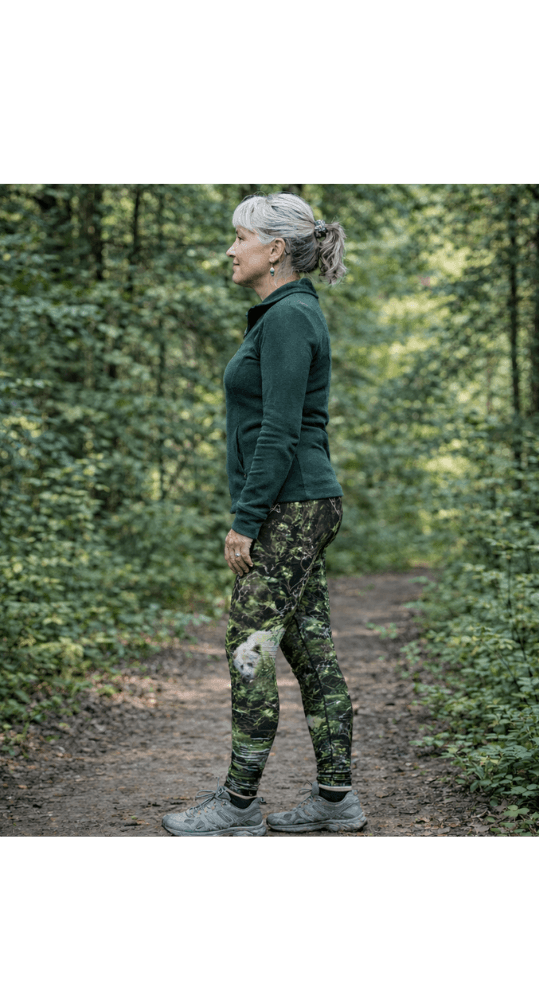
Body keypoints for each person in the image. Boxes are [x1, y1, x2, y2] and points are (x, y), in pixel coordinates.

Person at [162, 192, 368, 836]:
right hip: (306, 501)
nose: (231, 248)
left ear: (274, 249)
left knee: (248, 645)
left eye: (240, 237)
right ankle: (336, 802)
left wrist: (246, 520)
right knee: (309, 647)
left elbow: (280, 432)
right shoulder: (284, 314)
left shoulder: (287, 317)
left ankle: (238, 805)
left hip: (290, 503)